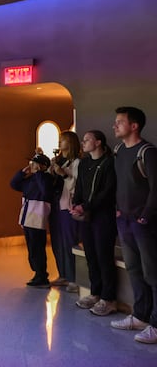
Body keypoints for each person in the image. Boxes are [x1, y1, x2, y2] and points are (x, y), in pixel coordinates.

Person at [110, 106, 157, 344]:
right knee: (134, 270)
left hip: (143, 224)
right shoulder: (119, 150)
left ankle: (156, 324)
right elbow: (120, 184)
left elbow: (156, 190)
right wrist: (119, 210)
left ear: (134, 126)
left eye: (119, 122)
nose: (115, 125)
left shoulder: (147, 152)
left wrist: (145, 216)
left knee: (152, 272)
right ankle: (140, 316)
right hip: (124, 220)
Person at [71, 130, 118, 316]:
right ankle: (95, 292)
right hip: (86, 216)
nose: (83, 143)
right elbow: (80, 186)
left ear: (98, 142)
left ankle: (109, 298)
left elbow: (108, 191)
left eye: (87, 140)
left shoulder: (108, 163)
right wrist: (76, 205)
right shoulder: (84, 163)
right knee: (90, 254)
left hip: (102, 216)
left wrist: (87, 206)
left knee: (103, 256)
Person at [10, 152, 54, 287]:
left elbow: (45, 191)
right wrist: (22, 173)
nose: (32, 165)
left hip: (37, 218)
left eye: (35, 163)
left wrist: (40, 173)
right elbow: (14, 184)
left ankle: (41, 274)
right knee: (31, 248)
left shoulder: (46, 178)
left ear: (42, 166)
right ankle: (37, 273)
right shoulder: (30, 179)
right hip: (27, 217)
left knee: (37, 247)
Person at [48, 131, 82, 293]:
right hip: (55, 206)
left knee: (70, 242)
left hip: (68, 207)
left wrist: (63, 175)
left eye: (63, 140)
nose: (60, 142)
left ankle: (74, 278)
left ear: (71, 143)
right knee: (57, 242)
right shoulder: (62, 161)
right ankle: (62, 273)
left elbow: (76, 185)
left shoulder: (77, 163)